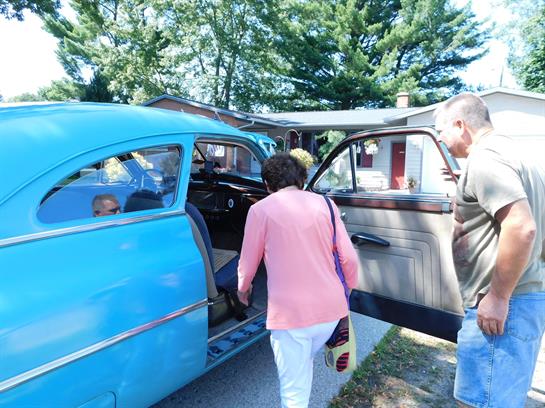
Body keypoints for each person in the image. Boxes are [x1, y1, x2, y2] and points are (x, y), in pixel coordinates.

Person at [434, 93, 545, 407]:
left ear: (460, 125)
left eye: (442, 131)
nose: (441, 140)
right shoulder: (519, 155)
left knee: (479, 402)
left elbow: (523, 227)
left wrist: (497, 297)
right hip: (526, 299)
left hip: (504, 310)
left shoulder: (485, 159)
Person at [237, 153, 359, 408]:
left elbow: (248, 263)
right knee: (303, 370)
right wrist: (348, 288)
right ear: (302, 179)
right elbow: (349, 258)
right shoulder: (327, 205)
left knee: (294, 392)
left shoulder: (260, 210)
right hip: (330, 312)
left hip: (290, 317)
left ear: (267, 185)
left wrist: (242, 290)